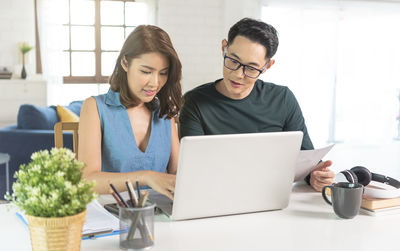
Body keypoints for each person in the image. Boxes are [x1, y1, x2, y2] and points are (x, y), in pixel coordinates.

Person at [179, 18, 334, 192]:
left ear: (267, 66)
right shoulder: (194, 102)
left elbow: (306, 159)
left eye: (251, 68)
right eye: (233, 61)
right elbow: (193, 169)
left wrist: (315, 176)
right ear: (224, 48)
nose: (238, 74)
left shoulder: (282, 99)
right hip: (217, 195)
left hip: (272, 198)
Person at [79, 25, 182, 200]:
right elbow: (87, 180)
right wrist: (146, 177)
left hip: (160, 215)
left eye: (163, 73)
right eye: (146, 71)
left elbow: (179, 173)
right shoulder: (95, 107)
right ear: (125, 63)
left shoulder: (164, 113)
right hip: (111, 215)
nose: (155, 83)